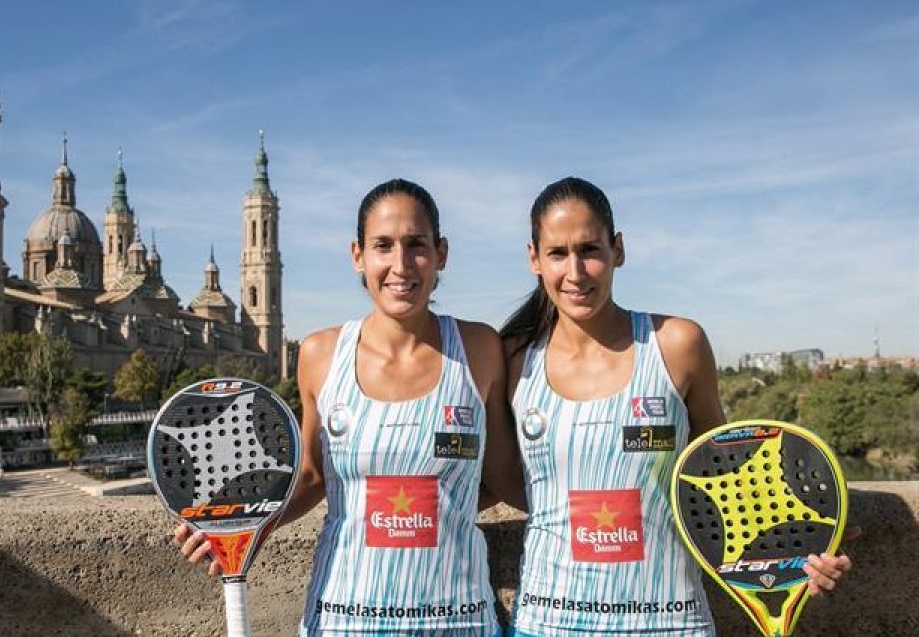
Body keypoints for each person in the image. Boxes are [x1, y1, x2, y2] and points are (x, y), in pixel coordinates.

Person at [497, 177, 852, 636]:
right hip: (547, 622)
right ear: (534, 259)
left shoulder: (678, 344)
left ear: (617, 250)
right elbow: (493, 478)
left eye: (589, 250)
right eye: (557, 254)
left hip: (670, 621)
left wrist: (808, 553)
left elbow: (726, 481)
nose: (576, 271)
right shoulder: (513, 359)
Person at [176, 178, 524, 635]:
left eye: (416, 245)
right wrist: (244, 530)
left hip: (458, 620)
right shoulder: (322, 354)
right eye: (383, 245)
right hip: (344, 617)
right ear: (358, 255)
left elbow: (502, 478)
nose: (400, 264)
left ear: (441, 253)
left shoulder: (479, 348)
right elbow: (312, 475)